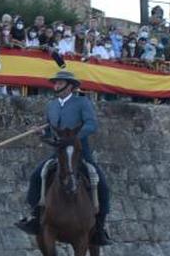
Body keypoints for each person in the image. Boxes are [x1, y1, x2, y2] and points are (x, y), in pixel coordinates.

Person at [17, 70, 111, 245]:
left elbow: (91, 124)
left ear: (71, 86)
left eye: (60, 83)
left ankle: (100, 227)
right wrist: (41, 132)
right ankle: (35, 216)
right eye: (56, 83)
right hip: (59, 152)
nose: (56, 86)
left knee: (102, 183)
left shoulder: (82, 102)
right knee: (37, 175)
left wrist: (73, 137)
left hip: (80, 152)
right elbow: (50, 130)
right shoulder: (51, 106)